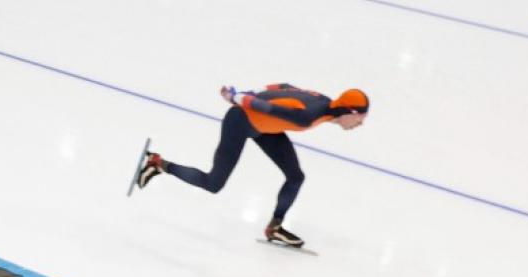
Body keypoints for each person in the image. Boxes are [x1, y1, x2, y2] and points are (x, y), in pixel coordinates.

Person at [132, 85, 371, 249]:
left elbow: (282, 86)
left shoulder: (325, 103)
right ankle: (158, 164)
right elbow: (270, 108)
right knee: (213, 183)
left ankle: (275, 227)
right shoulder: (309, 115)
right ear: (350, 112)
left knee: (295, 176)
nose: (359, 124)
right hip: (240, 122)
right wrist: (238, 98)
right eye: (360, 118)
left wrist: (251, 91)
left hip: (266, 129)